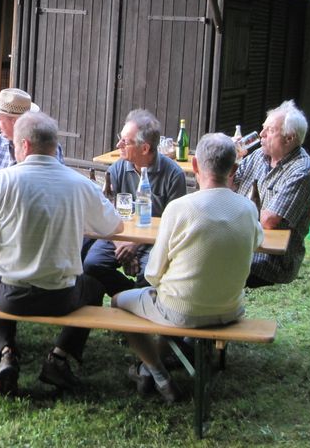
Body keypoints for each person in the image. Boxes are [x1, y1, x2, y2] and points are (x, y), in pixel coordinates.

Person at [0, 112, 123, 396]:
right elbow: (115, 226)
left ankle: (7, 352)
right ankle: (59, 357)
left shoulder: (2, 181)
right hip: (60, 297)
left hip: (9, 297)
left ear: (23, 145)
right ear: (53, 145)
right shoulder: (79, 184)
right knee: (94, 284)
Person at [112, 133, 263, 402]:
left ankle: (157, 374)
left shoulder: (180, 208)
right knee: (169, 306)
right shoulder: (248, 209)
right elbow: (257, 242)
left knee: (118, 302)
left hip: (181, 310)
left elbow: (153, 273)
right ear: (234, 169)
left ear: (194, 166)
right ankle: (150, 370)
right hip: (230, 309)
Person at [0, 87, 67, 351]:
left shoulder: (48, 147)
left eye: (0, 118)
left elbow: (51, 189)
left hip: (28, 225)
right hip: (0, 217)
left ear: (18, 122)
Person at [83, 109, 186, 296]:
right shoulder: (117, 169)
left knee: (150, 276)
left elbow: (173, 225)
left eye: (125, 142)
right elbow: (107, 213)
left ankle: (133, 306)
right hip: (120, 236)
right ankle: (128, 296)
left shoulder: (173, 175)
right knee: (92, 264)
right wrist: (122, 245)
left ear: (145, 148)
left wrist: (135, 245)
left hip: (155, 242)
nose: (118, 144)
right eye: (119, 138)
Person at [232, 100, 310, 287]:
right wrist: (229, 162)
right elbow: (226, 189)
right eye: (263, 128)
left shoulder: (302, 171)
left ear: (289, 138)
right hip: (241, 242)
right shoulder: (257, 156)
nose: (261, 135)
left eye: (270, 130)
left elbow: (268, 222)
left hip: (271, 259)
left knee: (209, 262)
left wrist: (229, 213)